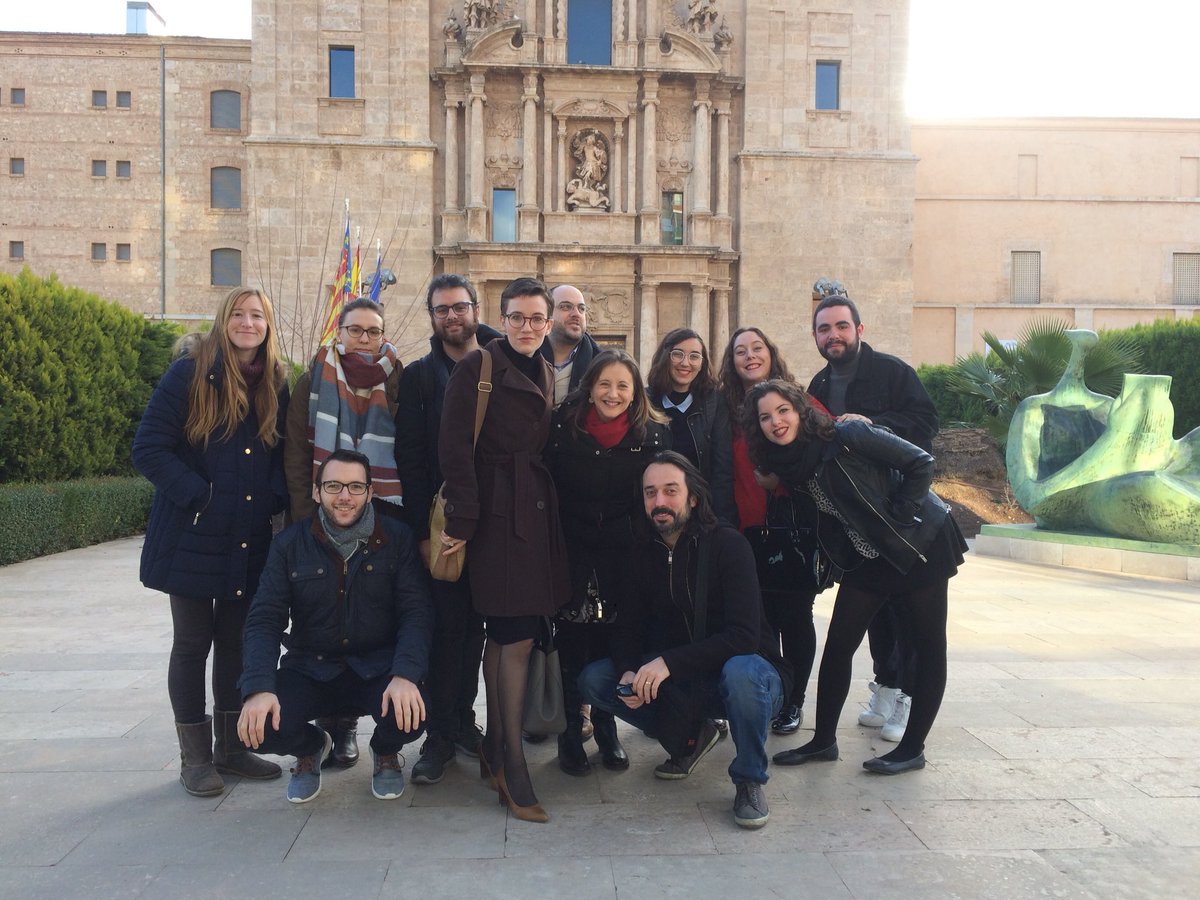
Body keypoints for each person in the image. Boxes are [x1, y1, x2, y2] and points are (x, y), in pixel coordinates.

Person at [744, 379, 966, 775]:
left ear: (800, 409)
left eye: (783, 410)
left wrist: (901, 513)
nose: (775, 421)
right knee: (839, 646)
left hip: (920, 543)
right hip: (869, 557)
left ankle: (912, 748)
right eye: (765, 416)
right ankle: (823, 741)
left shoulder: (847, 433)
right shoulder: (790, 462)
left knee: (928, 646)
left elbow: (920, 462)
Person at [578, 452, 791, 830]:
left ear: (692, 496)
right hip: (689, 678)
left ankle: (749, 779)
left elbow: (743, 636)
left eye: (670, 491)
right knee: (597, 680)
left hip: (751, 673)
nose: (659, 502)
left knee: (741, 672)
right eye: (650, 493)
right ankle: (693, 735)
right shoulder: (642, 552)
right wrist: (630, 670)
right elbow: (626, 627)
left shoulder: (728, 544)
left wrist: (668, 663)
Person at [132, 286, 289, 796]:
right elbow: (149, 449)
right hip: (193, 538)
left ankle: (233, 748)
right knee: (193, 643)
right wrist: (199, 497)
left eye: (257, 315)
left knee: (237, 644)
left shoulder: (274, 381)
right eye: (239, 314)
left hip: (248, 539)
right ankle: (195, 757)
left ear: (268, 325)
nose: (248, 323)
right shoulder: (189, 374)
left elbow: (281, 456)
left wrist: (272, 499)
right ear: (224, 321)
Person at [438, 276, 570, 823]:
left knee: (508, 633)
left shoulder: (540, 366)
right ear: (502, 316)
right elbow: (453, 448)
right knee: (512, 634)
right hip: (495, 519)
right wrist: (464, 521)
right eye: (517, 317)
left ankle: (499, 746)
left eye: (537, 318)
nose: (528, 327)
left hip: (529, 514)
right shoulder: (478, 367)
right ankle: (512, 760)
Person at [237, 449, 433, 803]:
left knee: (413, 712)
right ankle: (312, 747)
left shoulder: (397, 538)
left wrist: (406, 674)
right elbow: (264, 620)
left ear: (370, 492)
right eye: (333, 485)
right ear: (316, 492)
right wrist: (258, 688)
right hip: (311, 668)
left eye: (356, 486)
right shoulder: (288, 545)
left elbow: (416, 613)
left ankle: (385, 751)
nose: (345, 496)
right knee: (259, 726)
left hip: (377, 668)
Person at [807, 293, 940, 742]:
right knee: (877, 620)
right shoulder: (818, 386)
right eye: (824, 329)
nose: (834, 336)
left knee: (910, 617)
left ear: (859, 330)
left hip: (902, 520)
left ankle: (907, 699)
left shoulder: (893, 371)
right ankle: (886, 686)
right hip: (861, 527)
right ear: (816, 337)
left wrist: (873, 425)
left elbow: (925, 425)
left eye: (841, 327)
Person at [283, 295, 403, 768]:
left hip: (381, 517)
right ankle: (333, 728)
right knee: (322, 621)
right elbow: (297, 452)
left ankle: (370, 728)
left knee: (372, 619)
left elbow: (409, 444)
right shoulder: (313, 378)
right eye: (356, 330)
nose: (365, 339)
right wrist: (303, 518)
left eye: (374, 331)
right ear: (340, 331)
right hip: (319, 516)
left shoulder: (397, 378)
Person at [394, 273, 501, 785]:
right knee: (445, 629)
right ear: (432, 317)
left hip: (499, 522)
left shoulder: (505, 361)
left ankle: (465, 722)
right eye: (442, 310)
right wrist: (422, 531)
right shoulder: (418, 377)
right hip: (444, 524)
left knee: (479, 630)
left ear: (476, 309)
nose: (452, 316)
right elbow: (411, 459)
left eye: (460, 307)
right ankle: (439, 733)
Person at [546, 349, 670, 776]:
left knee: (615, 643)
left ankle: (606, 728)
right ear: (590, 387)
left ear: (635, 392)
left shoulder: (651, 433)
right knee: (571, 645)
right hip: (573, 551)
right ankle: (569, 733)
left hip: (624, 555)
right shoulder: (563, 427)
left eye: (622, 386)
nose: (612, 394)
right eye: (605, 384)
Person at [718, 326, 819, 737]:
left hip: (794, 528)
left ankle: (793, 702)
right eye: (740, 351)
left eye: (757, 348)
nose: (750, 356)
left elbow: (824, 446)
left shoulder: (800, 400)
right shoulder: (724, 409)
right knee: (756, 621)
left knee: (794, 617)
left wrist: (781, 481)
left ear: (771, 353)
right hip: (746, 531)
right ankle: (768, 694)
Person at [646, 328, 736, 526]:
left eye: (694, 356)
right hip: (656, 513)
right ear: (665, 356)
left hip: (701, 512)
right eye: (678, 354)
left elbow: (722, 469)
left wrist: (722, 522)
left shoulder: (715, 403)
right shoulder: (645, 401)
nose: (685, 363)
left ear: (702, 363)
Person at [539, 283, 601, 406]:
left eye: (581, 309)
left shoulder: (601, 366)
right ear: (547, 314)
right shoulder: (524, 356)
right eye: (566, 307)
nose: (576, 314)